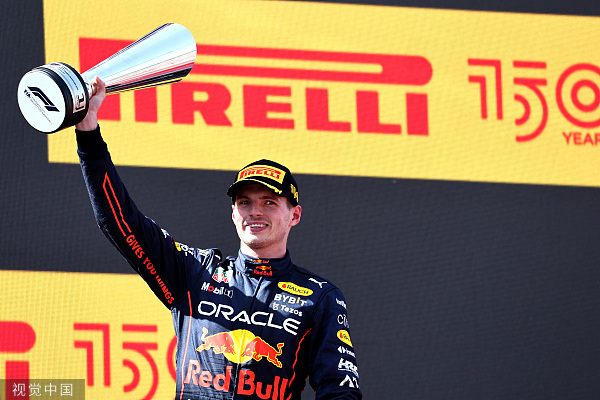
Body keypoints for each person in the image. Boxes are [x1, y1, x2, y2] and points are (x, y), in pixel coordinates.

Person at [75, 77, 362, 400]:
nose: (255, 211)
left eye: (269, 202)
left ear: (294, 215)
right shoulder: (194, 272)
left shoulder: (320, 297)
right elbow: (120, 222)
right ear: (233, 213)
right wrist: (88, 132)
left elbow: (340, 391)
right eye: (245, 202)